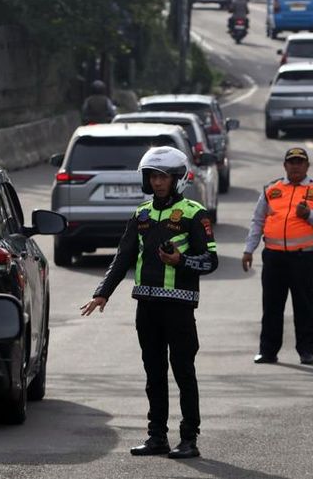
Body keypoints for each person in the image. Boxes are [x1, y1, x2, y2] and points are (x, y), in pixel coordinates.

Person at [80, 146, 218, 459]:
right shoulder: (141, 214)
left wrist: (180, 260)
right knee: (153, 372)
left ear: (177, 179)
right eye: (153, 176)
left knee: (183, 371)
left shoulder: (195, 214)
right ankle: (157, 437)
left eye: (164, 177)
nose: (157, 182)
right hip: (147, 306)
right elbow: (123, 256)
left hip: (180, 308)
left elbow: (211, 260)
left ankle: (189, 438)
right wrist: (103, 292)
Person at [242, 147, 313, 365]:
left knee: (304, 307)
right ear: (285, 165)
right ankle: (267, 351)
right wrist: (249, 250)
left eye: (300, 162)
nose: (295, 166)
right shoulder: (271, 190)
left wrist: (310, 215)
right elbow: (257, 221)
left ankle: (306, 351)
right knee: (272, 306)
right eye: (291, 162)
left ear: (307, 166)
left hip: (303, 259)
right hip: (274, 258)